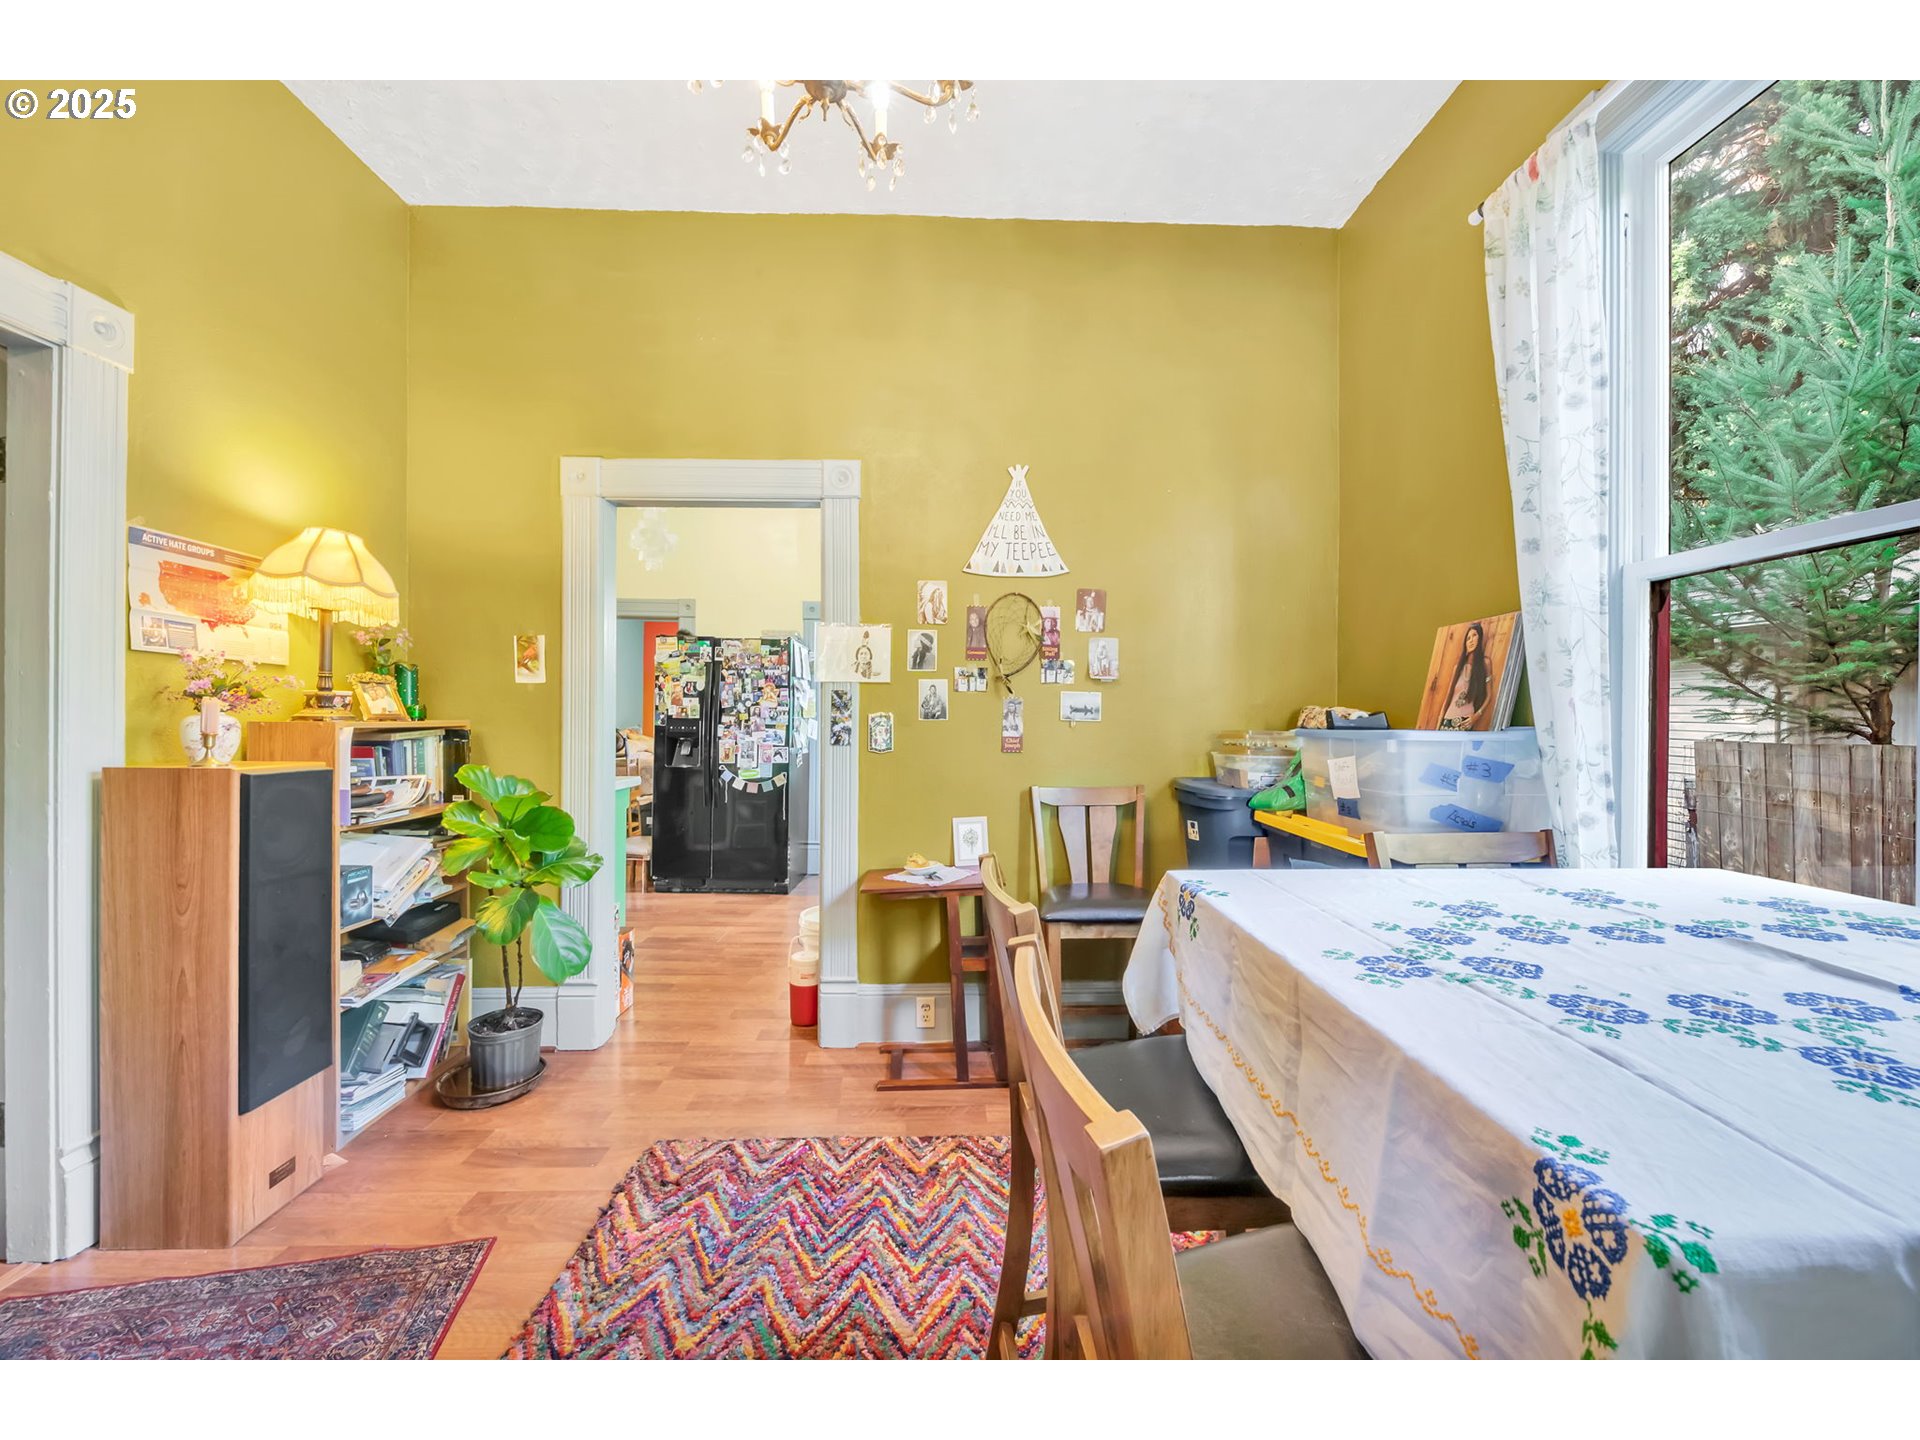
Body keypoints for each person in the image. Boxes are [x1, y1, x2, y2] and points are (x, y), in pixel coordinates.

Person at [1439, 621, 1493, 730]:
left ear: (1480, 638)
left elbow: (1489, 695)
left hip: (1465, 721)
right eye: (1468, 638)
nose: (1471, 640)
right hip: (1447, 720)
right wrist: (1439, 722)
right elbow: (1448, 697)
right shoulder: (1457, 668)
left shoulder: (1485, 663)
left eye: (1474, 635)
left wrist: (1477, 716)